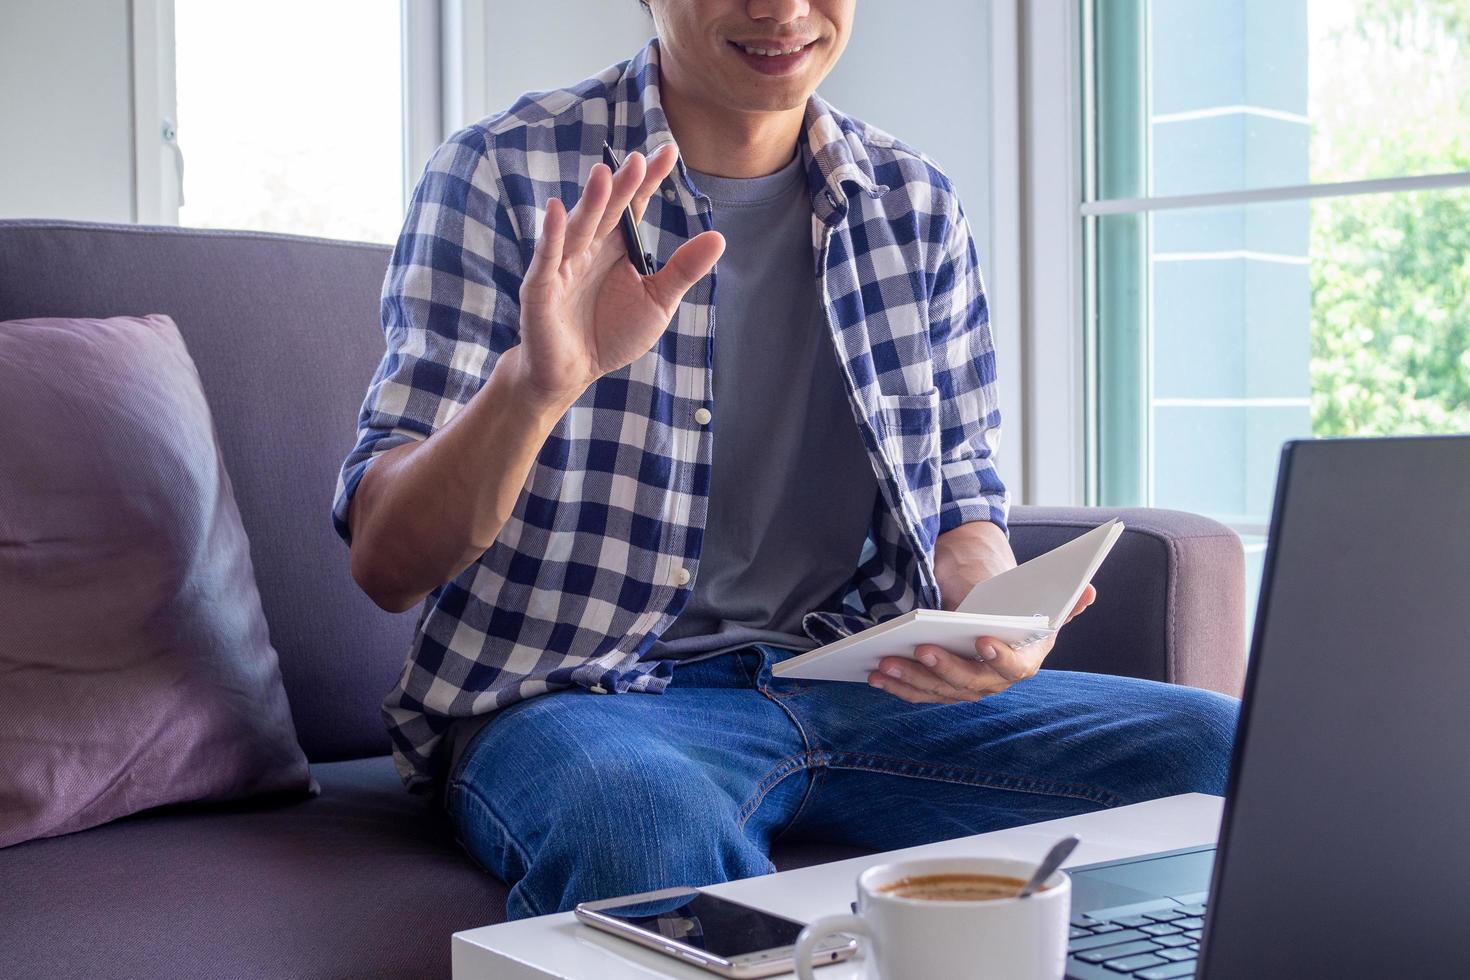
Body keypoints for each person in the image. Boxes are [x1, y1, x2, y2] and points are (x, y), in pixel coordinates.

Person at [333, 0, 1238, 921]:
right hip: (580, 696)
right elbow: (387, 561)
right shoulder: (504, 173)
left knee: (1230, 756)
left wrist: (994, 622)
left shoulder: (912, 204)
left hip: (861, 682)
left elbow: (963, 494)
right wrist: (532, 387)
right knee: (647, 831)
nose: (782, 10)